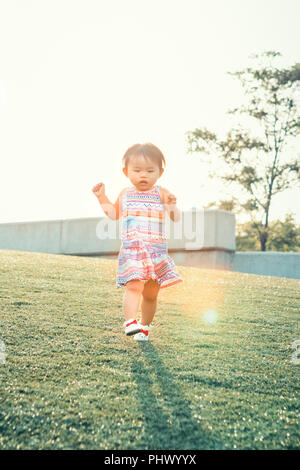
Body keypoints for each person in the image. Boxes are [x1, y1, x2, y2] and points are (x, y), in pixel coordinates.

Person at [92, 143, 183, 341]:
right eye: (137, 170)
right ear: (126, 172)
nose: (144, 175)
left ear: (160, 172)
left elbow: (176, 217)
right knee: (134, 286)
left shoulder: (161, 193)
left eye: (150, 170)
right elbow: (114, 214)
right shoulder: (125, 194)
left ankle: (144, 326)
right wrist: (102, 198)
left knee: (150, 294)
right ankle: (130, 322)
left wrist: (173, 206)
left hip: (156, 252)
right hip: (133, 251)